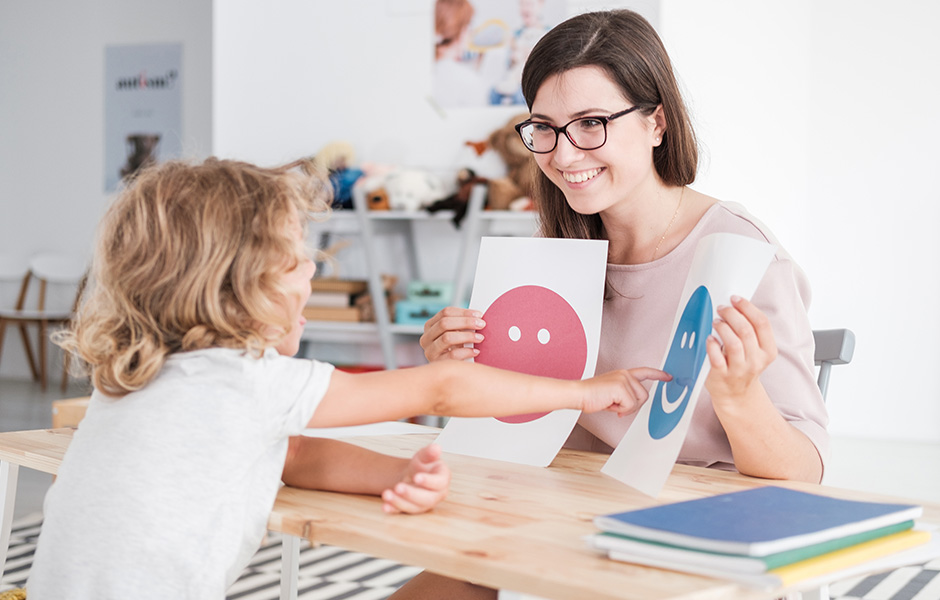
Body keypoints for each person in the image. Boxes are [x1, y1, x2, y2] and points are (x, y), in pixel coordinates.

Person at [25, 157, 667, 599]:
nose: (310, 272)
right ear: (240, 286)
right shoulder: (243, 382)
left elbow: (290, 453)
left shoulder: (139, 381)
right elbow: (442, 387)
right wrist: (587, 391)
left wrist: (392, 473)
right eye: (296, 260)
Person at [408, 9, 829, 598]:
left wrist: (739, 395)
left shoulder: (741, 256)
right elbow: (519, 422)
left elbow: (802, 473)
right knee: (444, 561)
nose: (563, 153)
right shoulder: (552, 250)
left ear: (656, 122)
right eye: (545, 128)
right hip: (563, 509)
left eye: (590, 123)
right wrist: (458, 363)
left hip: (696, 528)